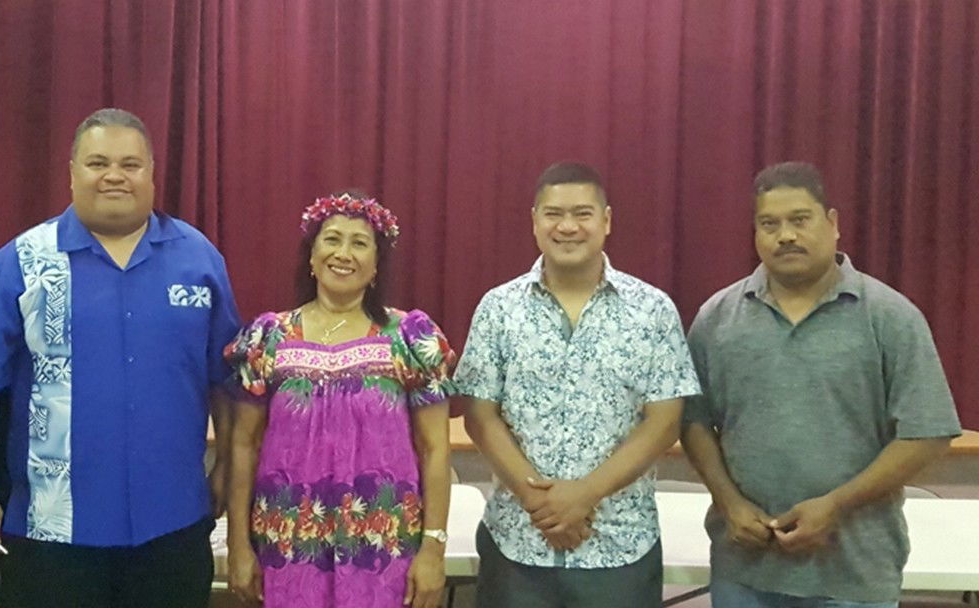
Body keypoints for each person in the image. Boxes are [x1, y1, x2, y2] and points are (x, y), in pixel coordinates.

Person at [0, 108, 242, 607]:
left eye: (130, 164)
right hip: (50, 532)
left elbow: (225, 379)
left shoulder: (200, 259)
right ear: (72, 172)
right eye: (98, 162)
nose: (114, 175)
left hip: (174, 527)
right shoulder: (21, 263)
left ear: (152, 173)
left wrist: (226, 465)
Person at [681, 161, 962, 607]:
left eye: (800, 219)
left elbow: (927, 433)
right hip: (745, 569)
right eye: (769, 224)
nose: (785, 235)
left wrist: (836, 505)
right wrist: (729, 502)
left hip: (852, 574)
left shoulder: (889, 317)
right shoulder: (718, 318)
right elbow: (692, 420)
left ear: (833, 224)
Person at [454, 163, 701, 608]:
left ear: (606, 221)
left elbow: (664, 422)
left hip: (619, 543)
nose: (567, 226)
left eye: (583, 213)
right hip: (518, 541)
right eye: (554, 214)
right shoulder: (498, 308)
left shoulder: (652, 310)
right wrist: (538, 502)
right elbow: (479, 415)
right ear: (534, 221)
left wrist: (584, 495)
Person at [224, 192, 455, 608]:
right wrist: (239, 545)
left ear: (376, 265)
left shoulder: (409, 338)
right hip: (287, 546)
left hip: (385, 551)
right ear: (311, 258)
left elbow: (436, 448)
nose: (343, 253)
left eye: (359, 242)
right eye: (331, 239)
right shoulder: (269, 338)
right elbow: (244, 444)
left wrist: (434, 549)